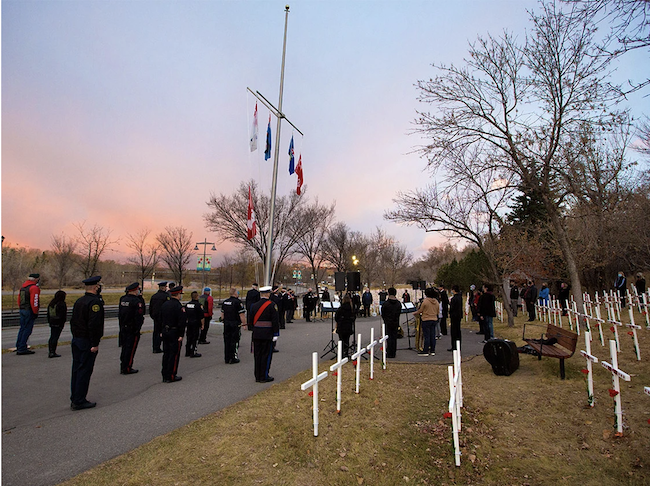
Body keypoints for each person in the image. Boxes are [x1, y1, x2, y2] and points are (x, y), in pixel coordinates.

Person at [70, 276, 104, 410]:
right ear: (96, 287)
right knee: (84, 370)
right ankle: (79, 400)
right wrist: (95, 343)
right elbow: (94, 325)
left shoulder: (80, 301)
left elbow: (74, 322)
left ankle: (75, 396)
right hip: (87, 341)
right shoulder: (94, 303)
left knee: (77, 369)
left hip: (77, 339)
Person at [248, 286, 280, 383]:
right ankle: (264, 376)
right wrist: (276, 333)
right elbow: (275, 321)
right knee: (266, 355)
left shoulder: (253, 306)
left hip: (256, 333)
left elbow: (251, 321)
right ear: (268, 294)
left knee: (257, 355)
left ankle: (257, 376)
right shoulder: (272, 305)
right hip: (267, 333)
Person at [160, 286, 186, 383]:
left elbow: (160, 318)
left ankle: (165, 373)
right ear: (178, 295)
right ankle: (171, 375)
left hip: (165, 331)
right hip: (174, 332)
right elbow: (181, 322)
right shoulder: (179, 306)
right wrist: (181, 334)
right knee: (174, 355)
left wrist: (161, 331)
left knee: (166, 353)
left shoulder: (165, 304)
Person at [118, 282, 145, 374]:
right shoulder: (136, 301)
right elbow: (139, 316)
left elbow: (120, 314)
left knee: (125, 347)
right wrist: (137, 329)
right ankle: (127, 367)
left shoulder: (123, 299)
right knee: (130, 348)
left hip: (124, 327)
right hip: (132, 328)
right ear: (135, 290)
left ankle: (123, 365)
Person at [16, 273, 41, 355]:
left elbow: (19, 299)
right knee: (27, 329)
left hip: (22, 309)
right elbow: (34, 301)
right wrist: (35, 311)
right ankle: (22, 347)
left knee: (22, 328)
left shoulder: (23, 287)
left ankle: (19, 345)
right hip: (29, 310)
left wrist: (21, 307)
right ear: (36, 279)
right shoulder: (34, 288)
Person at [221, 287, 246, 364]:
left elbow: (222, 314)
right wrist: (244, 324)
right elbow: (241, 314)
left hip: (227, 323)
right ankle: (233, 357)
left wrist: (223, 320)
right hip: (235, 323)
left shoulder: (225, 302)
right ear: (235, 293)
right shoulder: (238, 302)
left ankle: (227, 357)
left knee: (227, 340)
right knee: (234, 340)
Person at [413, 287, 439, 356]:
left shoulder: (425, 301)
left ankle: (425, 350)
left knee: (426, 336)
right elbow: (438, 311)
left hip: (426, 319)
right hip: (434, 319)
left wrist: (415, 313)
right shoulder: (436, 301)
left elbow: (420, 310)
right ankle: (432, 350)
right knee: (432, 335)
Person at [381, 287, 402, 359]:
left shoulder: (386, 304)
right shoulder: (398, 303)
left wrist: (385, 319)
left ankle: (389, 352)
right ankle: (393, 352)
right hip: (395, 322)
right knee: (394, 338)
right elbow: (399, 313)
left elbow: (383, 313)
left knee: (388, 338)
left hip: (388, 322)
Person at [149, 281, 169, 353]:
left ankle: (155, 346)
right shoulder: (166, 296)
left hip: (155, 316)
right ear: (163, 288)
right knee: (163, 331)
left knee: (156, 331)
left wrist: (152, 315)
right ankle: (161, 346)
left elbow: (150, 307)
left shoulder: (154, 296)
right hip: (163, 317)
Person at [47, 290, 67, 358]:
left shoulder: (51, 303)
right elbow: (63, 315)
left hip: (52, 322)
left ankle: (51, 350)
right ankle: (53, 352)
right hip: (58, 323)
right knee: (55, 337)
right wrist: (62, 323)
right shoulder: (62, 304)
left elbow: (48, 314)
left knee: (52, 336)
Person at [184, 291, 204, 358]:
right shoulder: (198, 305)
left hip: (189, 323)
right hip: (196, 323)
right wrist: (202, 325)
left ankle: (187, 351)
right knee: (195, 338)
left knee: (189, 337)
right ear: (197, 297)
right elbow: (201, 316)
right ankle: (193, 352)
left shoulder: (187, 304)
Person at [448, 285, 463, 351]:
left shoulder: (454, 298)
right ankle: (458, 344)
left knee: (454, 331)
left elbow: (452, 308)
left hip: (454, 316)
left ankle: (454, 346)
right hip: (459, 315)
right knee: (458, 330)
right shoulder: (460, 297)